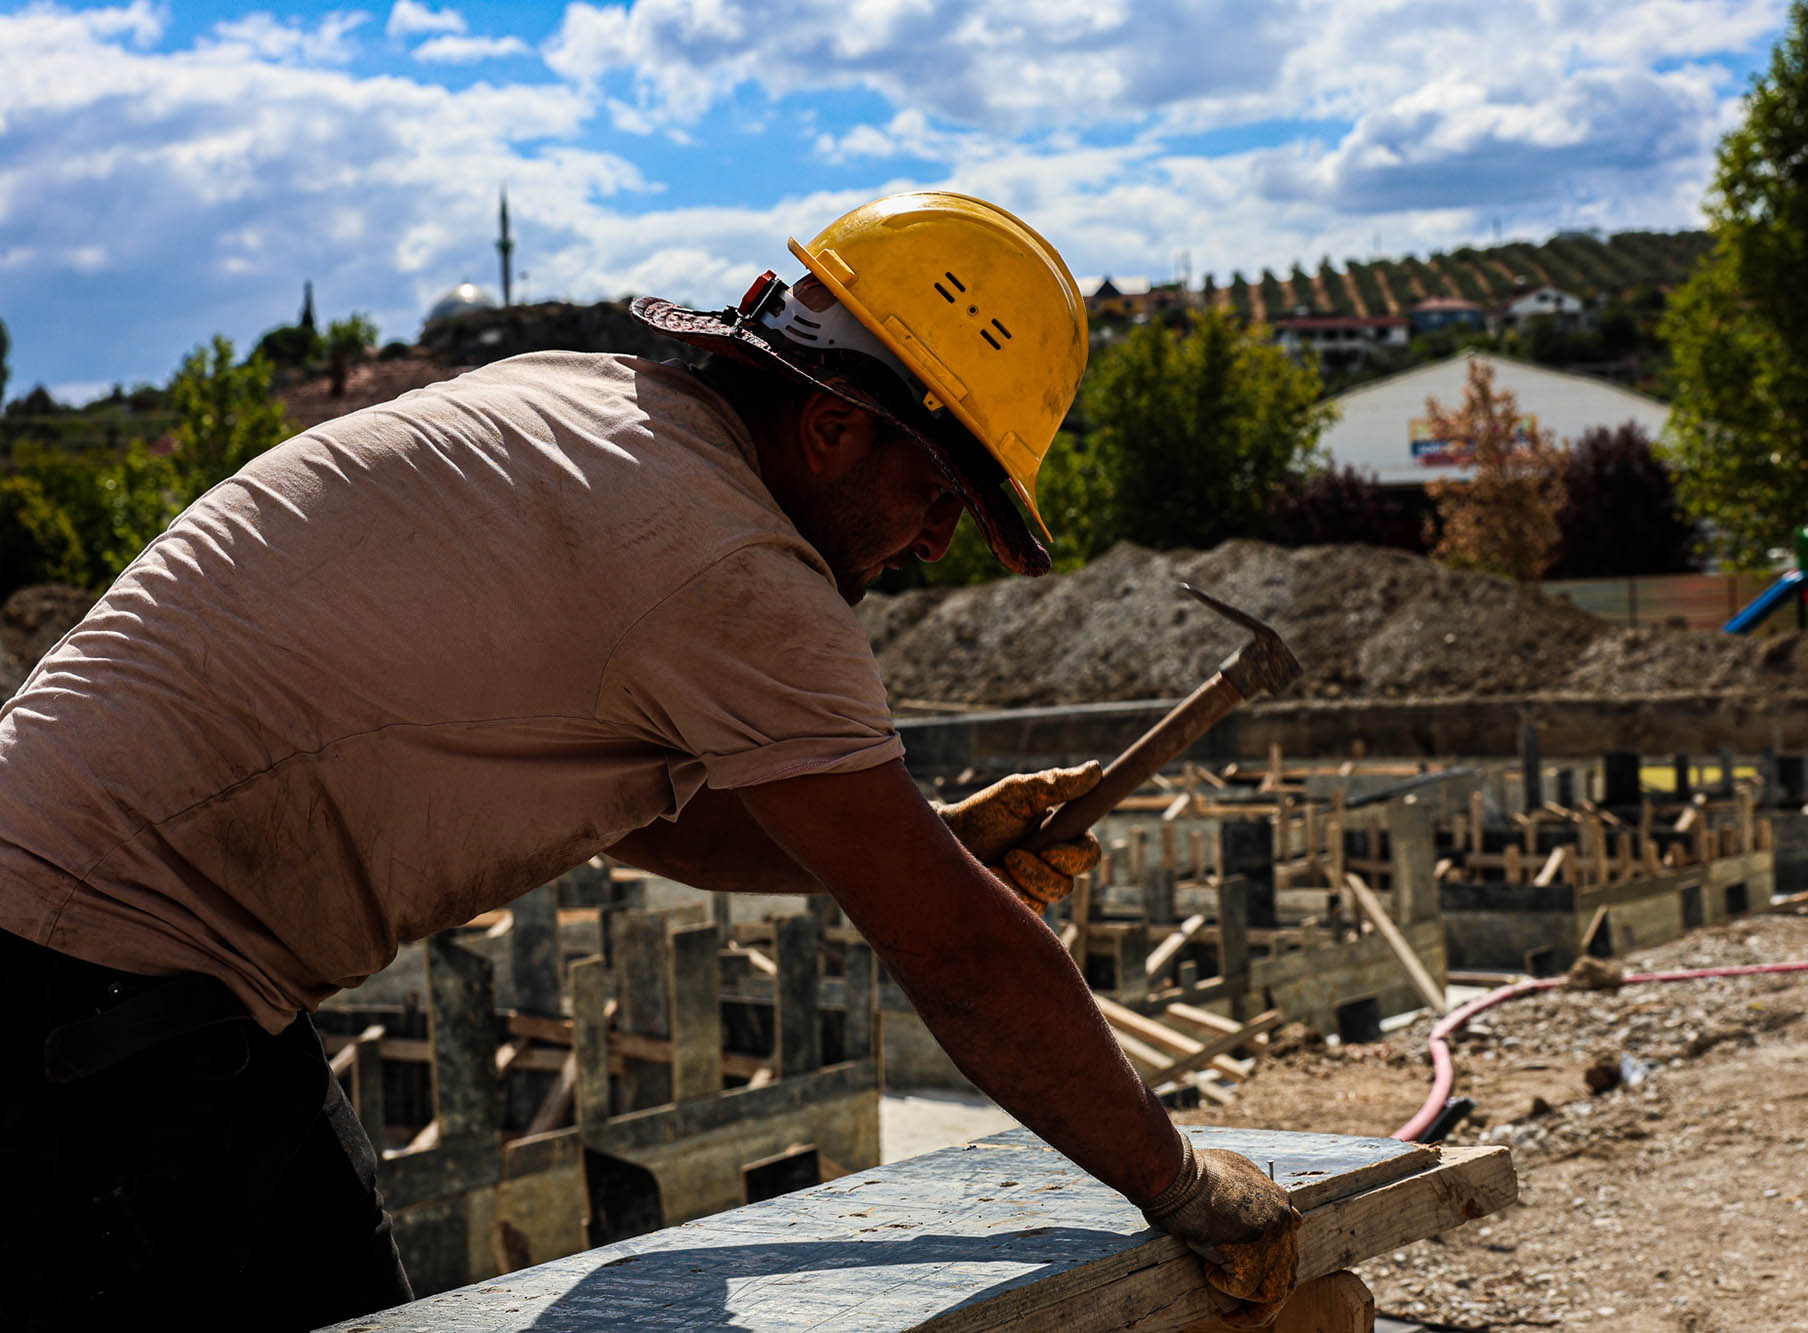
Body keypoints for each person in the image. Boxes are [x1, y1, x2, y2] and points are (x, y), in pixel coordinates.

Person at [0, 191, 1299, 1330]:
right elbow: (958, 957)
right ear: (838, 428)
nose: (938, 542)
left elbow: (645, 817)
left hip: (110, 973)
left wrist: (931, 840)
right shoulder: (735, 560)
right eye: (944, 490)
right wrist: (1180, 1180)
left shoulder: (599, 409)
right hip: (89, 996)